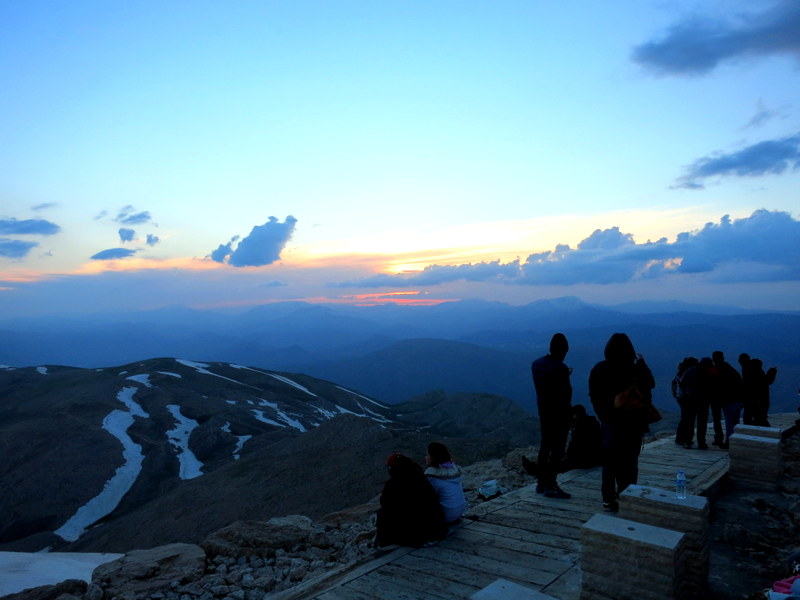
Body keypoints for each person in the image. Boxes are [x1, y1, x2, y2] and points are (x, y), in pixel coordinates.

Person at [589, 333, 655, 512]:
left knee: (609, 463)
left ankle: (608, 500)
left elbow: (594, 395)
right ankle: (626, 496)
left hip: (610, 424)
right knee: (630, 463)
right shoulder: (634, 369)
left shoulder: (599, 369)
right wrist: (642, 364)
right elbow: (649, 384)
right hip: (633, 425)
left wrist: (603, 414)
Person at [530, 332, 573, 499]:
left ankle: (541, 483)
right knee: (557, 450)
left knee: (545, 446)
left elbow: (546, 386)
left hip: (544, 412)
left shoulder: (536, 364)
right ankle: (552, 485)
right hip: (559, 414)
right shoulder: (560, 368)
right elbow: (565, 394)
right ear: (564, 350)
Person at [375, 452, 447, 548]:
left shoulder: (392, 484)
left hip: (417, 536)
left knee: (383, 513)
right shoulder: (422, 477)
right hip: (437, 530)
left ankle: (384, 543)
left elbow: (385, 504)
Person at [424, 442, 467, 524]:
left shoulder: (432, 476)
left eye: (427, 454)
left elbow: (428, 498)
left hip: (446, 515)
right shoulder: (453, 469)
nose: (426, 457)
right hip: (460, 511)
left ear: (433, 457)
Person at [712, 350, 744, 448]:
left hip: (729, 400)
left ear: (714, 359)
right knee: (735, 421)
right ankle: (736, 440)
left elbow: (717, 386)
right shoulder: (730, 368)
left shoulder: (717, 370)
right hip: (739, 399)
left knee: (729, 422)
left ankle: (729, 442)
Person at [672, 357, 698, 448]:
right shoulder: (689, 372)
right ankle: (686, 440)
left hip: (680, 397)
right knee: (689, 419)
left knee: (684, 418)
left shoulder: (680, 371)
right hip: (686, 398)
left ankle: (679, 438)